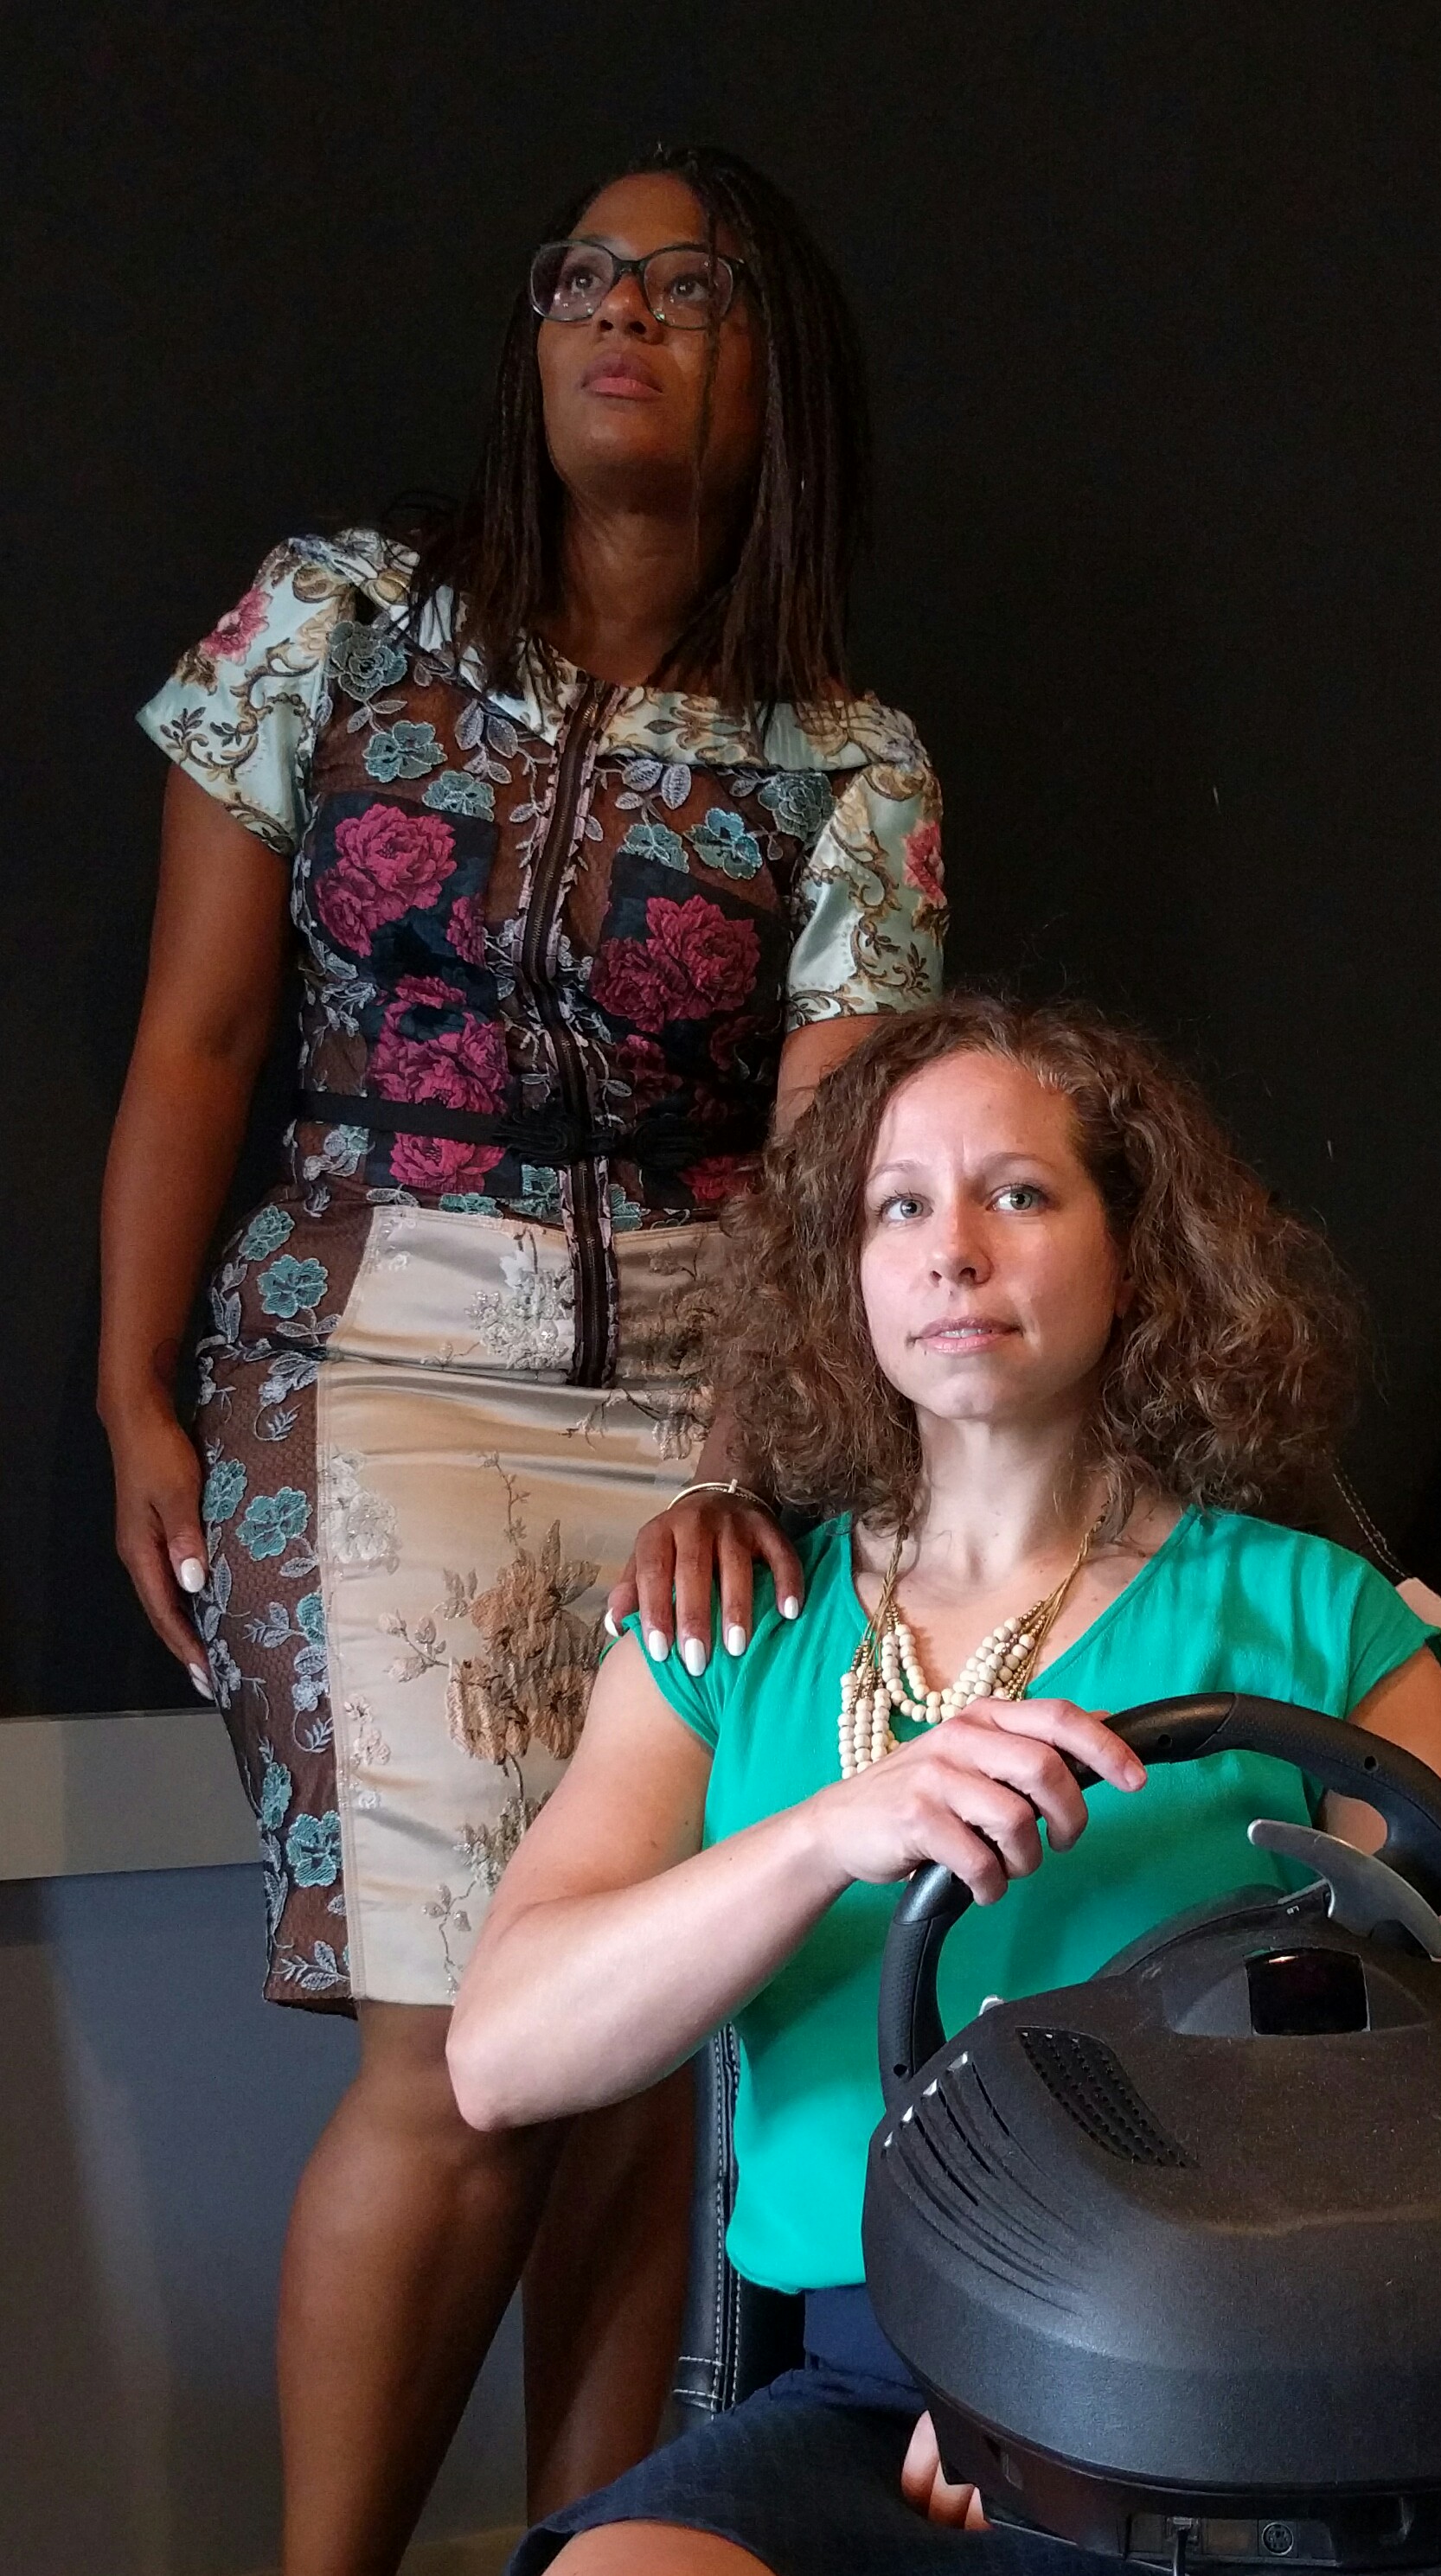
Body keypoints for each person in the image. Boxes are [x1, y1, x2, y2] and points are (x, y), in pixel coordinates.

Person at [99, 145, 944, 2576]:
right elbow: (201, 1034)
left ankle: (599, 2555)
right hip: (373, 1347)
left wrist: (758, 1459)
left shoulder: (847, 753)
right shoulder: (336, 619)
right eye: (584, 276)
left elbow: (824, 1173)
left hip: (706, 1383)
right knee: (467, 2047)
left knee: (641, 2048)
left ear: (776, 367)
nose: (621, 318)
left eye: (687, 289)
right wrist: (131, 1386)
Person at [447, 996, 1441, 2576]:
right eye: (899, 1207)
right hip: (861, 2395)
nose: (953, 1253)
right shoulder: (730, 1632)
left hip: (1245, 2384)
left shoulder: (1323, 1621)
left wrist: (1072, 2369)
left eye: (1018, 1194)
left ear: (1136, 1253)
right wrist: (826, 1835)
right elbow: (501, 2059)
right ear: (844, 1273)